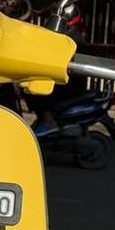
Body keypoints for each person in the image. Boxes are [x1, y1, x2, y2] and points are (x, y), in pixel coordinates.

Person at [26, 9, 88, 139]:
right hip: (66, 80)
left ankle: (49, 122)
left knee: (35, 92)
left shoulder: (72, 39)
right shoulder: (70, 35)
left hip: (69, 84)